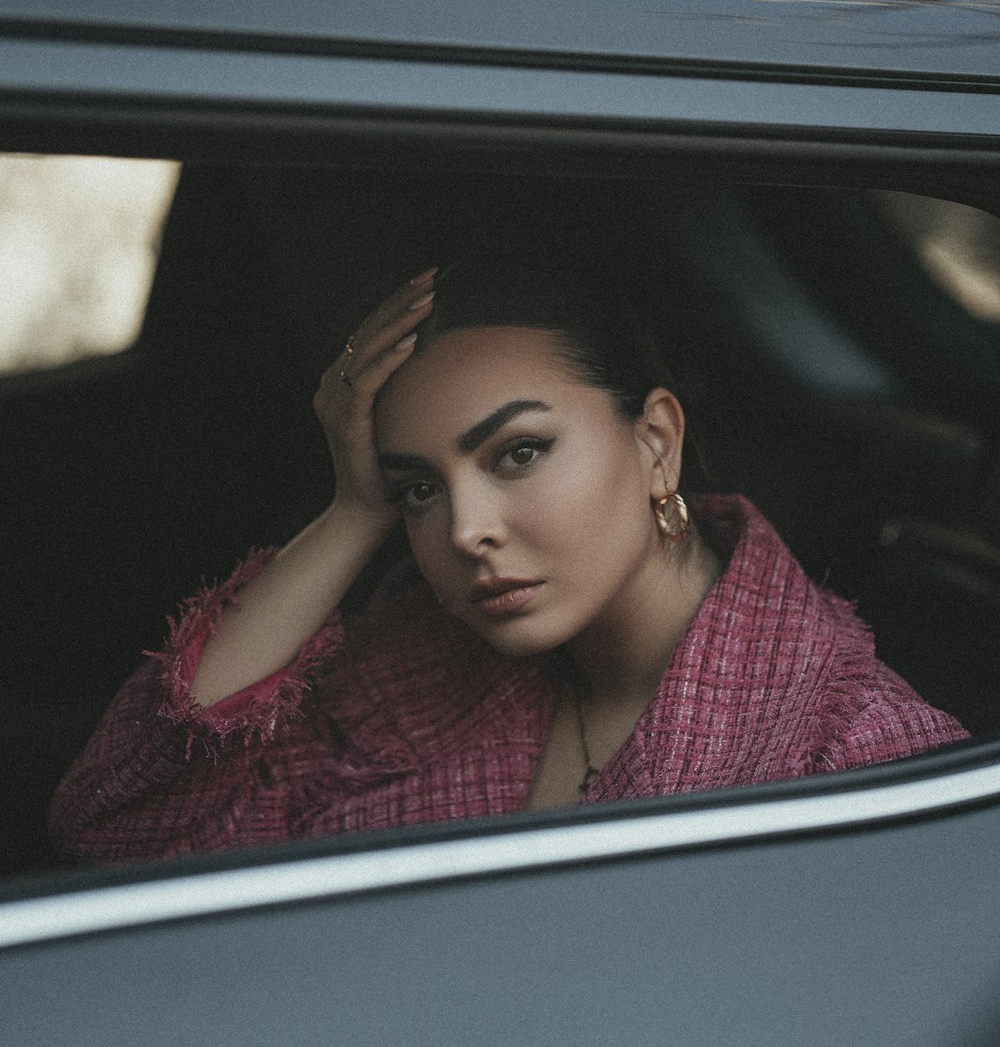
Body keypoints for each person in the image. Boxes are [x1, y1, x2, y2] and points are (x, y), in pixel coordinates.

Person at [50, 257, 967, 863]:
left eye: (518, 453)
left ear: (655, 442)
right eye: (419, 487)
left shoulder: (864, 765)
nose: (464, 531)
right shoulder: (418, 673)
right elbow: (122, 830)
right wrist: (351, 512)